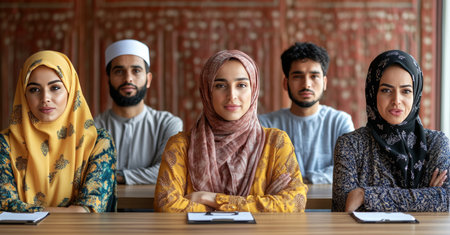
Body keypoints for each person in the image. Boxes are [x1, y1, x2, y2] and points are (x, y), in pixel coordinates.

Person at [154, 50, 307, 213]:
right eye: (220, 85)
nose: (232, 96)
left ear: (253, 90)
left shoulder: (276, 142)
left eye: (241, 85)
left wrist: (212, 199)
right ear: (207, 91)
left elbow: (294, 203)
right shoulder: (181, 146)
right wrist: (256, 205)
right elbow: (166, 205)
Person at [332, 49, 450, 212]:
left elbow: (446, 199)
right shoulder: (350, 145)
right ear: (373, 93)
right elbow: (344, 207)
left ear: (416, 94)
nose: (396, 100)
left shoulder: (435, 143)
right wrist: (426, 196)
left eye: (406, 91)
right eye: (386, 90)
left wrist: (365, 195)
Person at [0, 50, 116, 213]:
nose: (45, 98)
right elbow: (4, 205)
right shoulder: (5, 144)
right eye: (34, 89)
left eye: (55, 87)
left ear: (71, 90)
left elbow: (88, 209)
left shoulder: (97, 142)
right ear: (23, 94)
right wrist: (70, 211)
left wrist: (25, 211)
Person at [259, 42, 354, 184]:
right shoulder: (266, 124)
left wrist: (305, 180)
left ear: (325, 82)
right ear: (286, 83)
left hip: (328, 205)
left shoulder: (339, 121)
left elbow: (350, 169)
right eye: (298, 76)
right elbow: (260, 172)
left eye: (314, 76)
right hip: (280, 205)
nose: (306, 84)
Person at [95, 39, 183, 185]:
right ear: (108, 80)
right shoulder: (93, 127)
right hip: (107, 209)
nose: (128, 78)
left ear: (148, 80)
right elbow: (87, 173)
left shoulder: (167, 124)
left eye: (136, 71)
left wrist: (116, 176)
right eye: (119, 71)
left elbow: (168, 172)